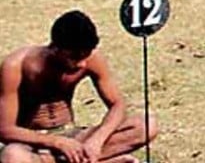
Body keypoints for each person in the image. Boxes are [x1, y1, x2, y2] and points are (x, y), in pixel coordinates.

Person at [0, 10, 157, 162]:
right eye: (74, 57)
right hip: (31, 142)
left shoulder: (92, 59)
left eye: (85, 56)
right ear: (55, 47)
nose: (81, 64)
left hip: (72, 136)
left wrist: (97, 140)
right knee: (12, 156)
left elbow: (118, 104)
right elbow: (5, 130)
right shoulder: (15, 66)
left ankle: (78, 158)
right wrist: (55, 142)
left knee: (146, 125)